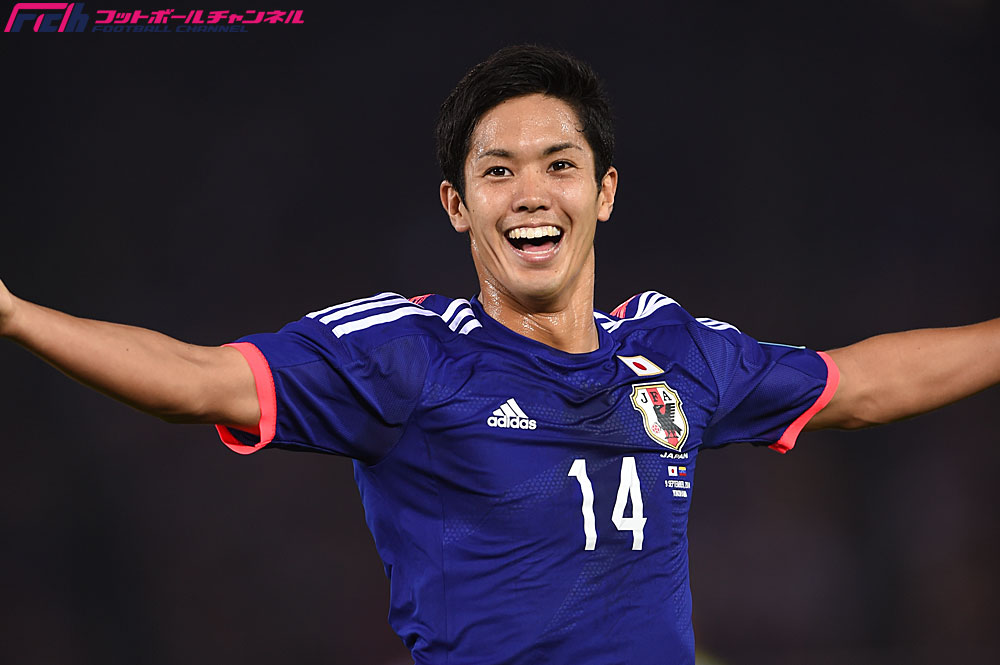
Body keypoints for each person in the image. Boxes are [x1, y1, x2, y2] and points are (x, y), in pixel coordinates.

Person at [0, 45, 997, 664]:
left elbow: (858, 383)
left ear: (603, 191)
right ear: (457, 203)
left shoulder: (674, 353)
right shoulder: (406, 354)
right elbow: (199, 379)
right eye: (497, 170)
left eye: (559, 164)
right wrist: (15, 315)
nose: (530, 193)